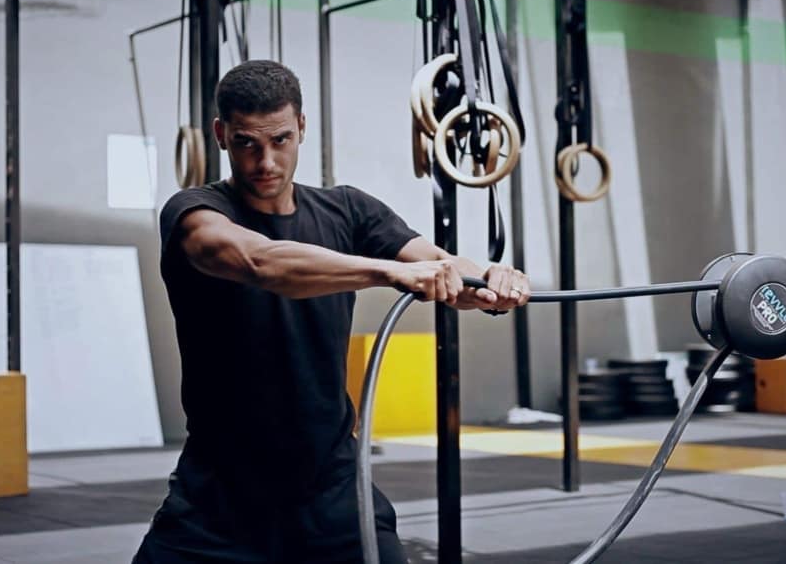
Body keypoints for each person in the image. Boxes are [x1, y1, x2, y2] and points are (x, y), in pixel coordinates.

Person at [134, 60, 531, 564]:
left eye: (279, 140)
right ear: (220, 135)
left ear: (301, 127)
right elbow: (263, 262)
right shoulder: (195, 213)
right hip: (221, 490)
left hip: (331, 483)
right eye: (246, 143)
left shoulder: (347, 210)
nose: (265, 162)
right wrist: (387, 272)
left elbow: (441, 266)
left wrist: (490, 281)